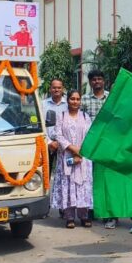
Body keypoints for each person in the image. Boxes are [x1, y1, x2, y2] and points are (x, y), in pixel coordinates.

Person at [51, 90, 93, 228]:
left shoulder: (86, 116)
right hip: (66, 156)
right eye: (72, 99)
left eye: (77, 99)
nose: (75, 101)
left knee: (82, 185)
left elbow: (90, 136)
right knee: (68, 185)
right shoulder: (61, 116)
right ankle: (69, 217)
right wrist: (72, 148)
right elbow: (58, 135)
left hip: (83, 157)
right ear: (67, 100)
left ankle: (84, 216)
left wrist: (81, 152)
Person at [81, 69, 114, 228]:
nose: (97, 82)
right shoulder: (84, 100)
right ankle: (90, 210)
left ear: (104, 81)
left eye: (100, 79)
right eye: (94, 79)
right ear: (90, 82)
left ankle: (108, 213)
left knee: (106, 179)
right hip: (90, 145)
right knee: (89, 178)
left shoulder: (111, 98)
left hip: (107, 145)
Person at [43, 79, 68, 171]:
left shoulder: (68, 105)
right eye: (54, 88)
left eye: (59, 88)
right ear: (50, 89)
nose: (56, 90)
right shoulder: (43, 104)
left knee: (64, 172)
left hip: (64, 145)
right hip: (47, 144)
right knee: (45, 172)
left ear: (63, 89)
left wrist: (61, 142)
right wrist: (49, 142)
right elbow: (40, 125)